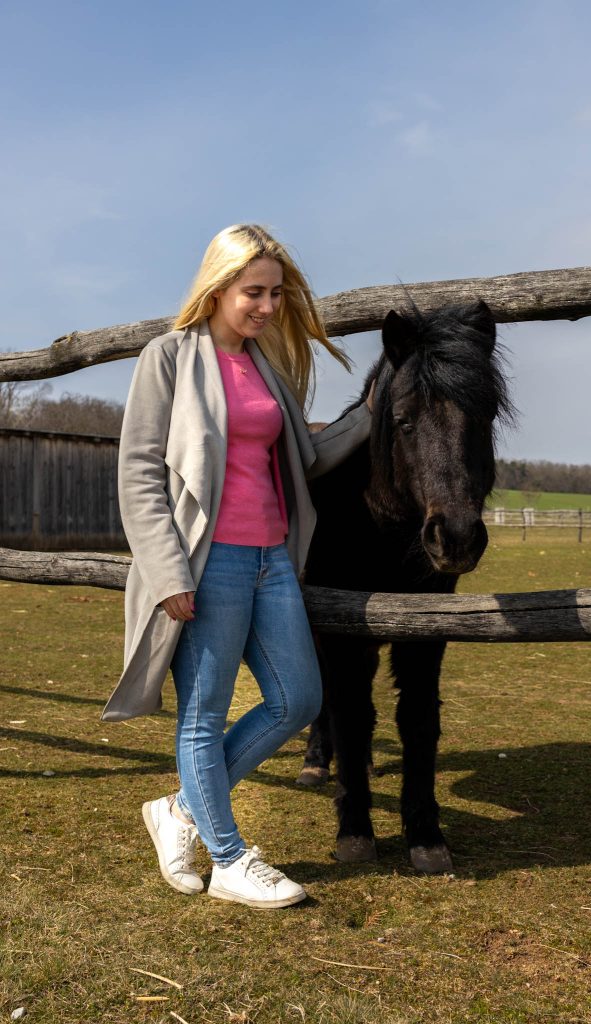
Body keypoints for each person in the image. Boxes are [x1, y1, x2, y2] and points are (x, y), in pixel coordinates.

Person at [110, 224, 374, 908]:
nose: (265, 306)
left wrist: (373, 410)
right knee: (203, 713)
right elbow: (139, 471)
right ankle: (228, 860)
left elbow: (306, 459)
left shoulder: (267, 368)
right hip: (205, 562)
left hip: (271, 558)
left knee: (297, 699)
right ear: (217, 286)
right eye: (252, 291)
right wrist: (168, 570)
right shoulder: (168, 357)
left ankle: (179, 812)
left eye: (276, 294)